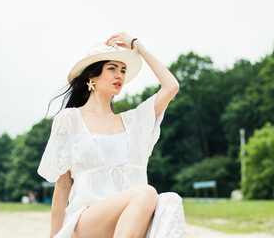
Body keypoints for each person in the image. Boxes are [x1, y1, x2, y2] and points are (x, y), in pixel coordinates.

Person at [37, 32, 186, 238]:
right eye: (112, 69)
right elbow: (62, 186)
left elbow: (171, 86)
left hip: (132, 218)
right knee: (147, 192)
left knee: (171, 201)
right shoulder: (70, 119)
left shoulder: (134, 122)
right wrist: (54, 235)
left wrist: (137, 45)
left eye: (123, 70)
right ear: (92, 76)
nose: (120, 76)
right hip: (88, 220)